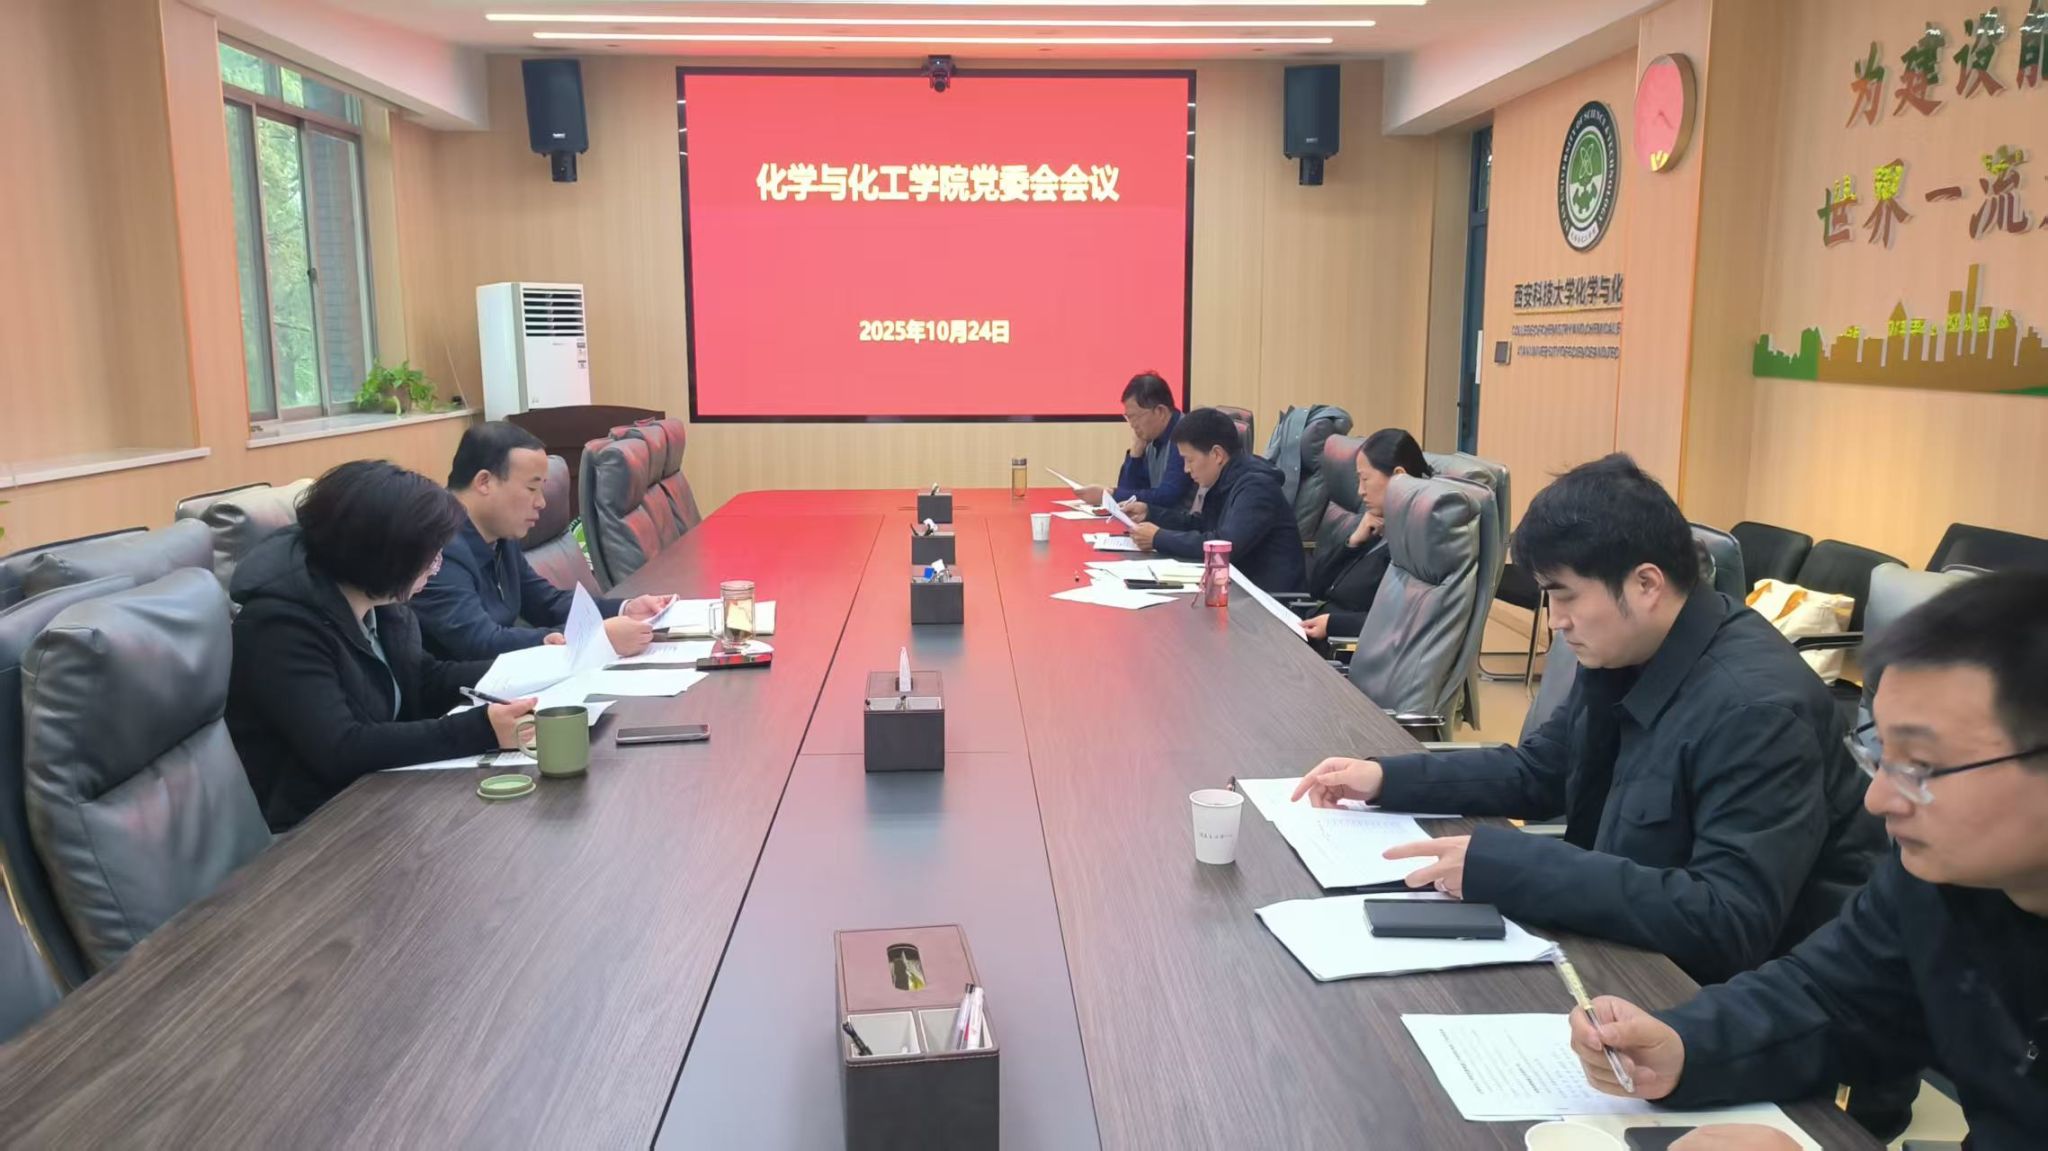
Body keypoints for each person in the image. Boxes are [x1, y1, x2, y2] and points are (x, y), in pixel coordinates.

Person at [1291, 454, 1883, 985]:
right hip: (1623, 955)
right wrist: (1386, 778)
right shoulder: (1630, 650)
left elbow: (1726, 921)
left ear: (1646, 584)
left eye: (1565, 595)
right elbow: (1542, 771)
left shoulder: (1757, 711)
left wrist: (1514, 865)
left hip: (1733, 1006)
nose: (1554, 621)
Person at [1567, 572, 2048, 1150]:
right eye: (1880, 755)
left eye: (1922, 766)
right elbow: (1830, 996)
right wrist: (1685, 1046)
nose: (1878, 800)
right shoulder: (1938, 878)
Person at [226, 460, 536, 830]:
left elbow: (423, 678)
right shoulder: (278, 627)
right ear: (385, 553)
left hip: (381, 796)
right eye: (430, 555)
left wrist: (533, 669)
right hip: (315, 829)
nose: (436, 567)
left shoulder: (379, 603)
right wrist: (482, 729)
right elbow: (341, 747)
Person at [413, 421, 671, 659]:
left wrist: (625, 609)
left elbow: (545, 602)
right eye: (531, 488)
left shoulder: (499, 535)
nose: (541, 502)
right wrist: (593, 638)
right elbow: (480, 643)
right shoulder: (437, 549)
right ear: (484, 482)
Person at [1126, 407, 1306, 594]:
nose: (1186, 469)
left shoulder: (1256, 487)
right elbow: (1202, 526)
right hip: (1238, 589)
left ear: (1217, 454)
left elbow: (1225, 546)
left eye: (1189, 460)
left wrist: (1159, 538)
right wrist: (1151, 513)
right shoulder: (1226, 479)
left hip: (1269, 600)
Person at [1301, 429, 1434, 643]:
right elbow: (1316, 586)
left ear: (1399, 477)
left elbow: (1400, 623)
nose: (1360, 491)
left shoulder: (1412, 545)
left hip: (1342, 650)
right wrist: (1353, 543)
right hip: (1315, 635)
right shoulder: (1377, 527)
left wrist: (1333, 624)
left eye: (1365, 479)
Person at [1076, 372, 1193, 513]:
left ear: (1160, 412)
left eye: (1134, 417)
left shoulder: (1185, 435)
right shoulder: (1151, 437)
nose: (1132, 425)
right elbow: (1129, 490)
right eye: (1128, 417)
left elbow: (1167, 496)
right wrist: (1136, 454)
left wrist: (1111, 495)